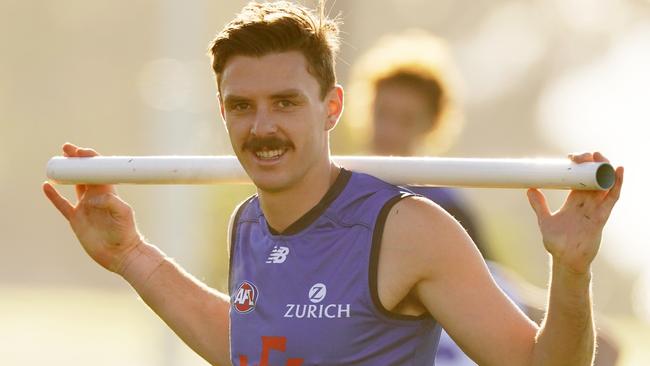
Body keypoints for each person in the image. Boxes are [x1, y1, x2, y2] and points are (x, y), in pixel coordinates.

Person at [43, 1, 624, 365]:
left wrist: (572, 272)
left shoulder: (409, 228)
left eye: (286, 102)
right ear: (223, 113)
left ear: (332, 107)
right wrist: (131, 256)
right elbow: (255, 350)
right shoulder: (248, 220)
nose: (263, 126)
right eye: (242, 105)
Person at [344, 30, 620, 366]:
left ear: (430, 125)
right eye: (382, 113)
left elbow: (492, 283)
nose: (389, 131)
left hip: (443, 343)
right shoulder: (335, 190)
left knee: (603, 348)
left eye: (405, 119)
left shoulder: (447, 205)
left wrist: (571, 280)